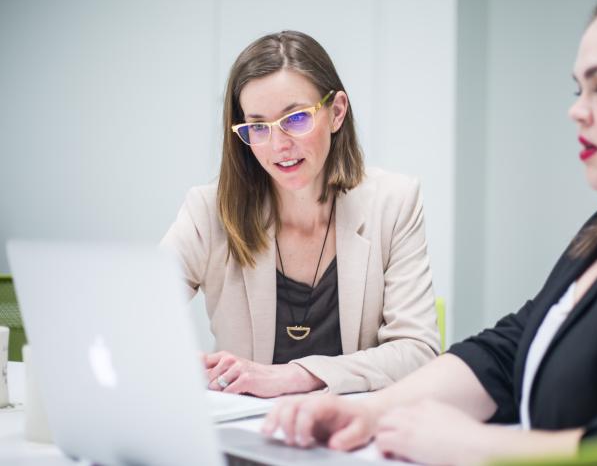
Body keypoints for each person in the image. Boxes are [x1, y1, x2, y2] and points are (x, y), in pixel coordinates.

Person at [262, 0, 597, 465]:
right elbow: (508, 350)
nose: (577, 112)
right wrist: (371, 412)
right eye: (578, 88)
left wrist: (470, 445)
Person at [162, 31, 440, 398]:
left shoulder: (393, 202)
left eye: (294, 119)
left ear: (336, 112)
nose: (278, 146)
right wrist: (179, 364)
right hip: (247, 442)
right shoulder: (208, 212)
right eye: (258, 126)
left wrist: (293, 376)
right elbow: (132, 318)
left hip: (349, 439)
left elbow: (418, 352)